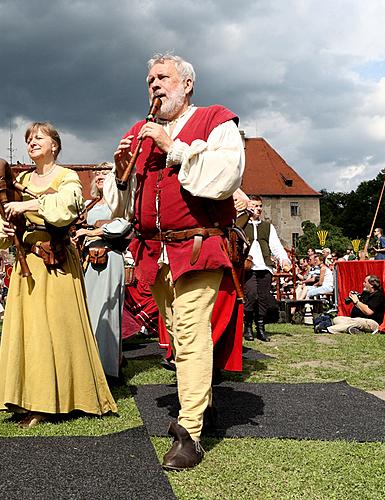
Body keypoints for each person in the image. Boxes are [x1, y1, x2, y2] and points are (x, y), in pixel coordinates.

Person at [104, 53, 244, 469]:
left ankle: (190, 433)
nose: (154, 85)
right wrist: (119, 172)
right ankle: (205, 406)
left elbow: (227, 174)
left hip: (199, 245)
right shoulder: (138, 131)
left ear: (186, 85)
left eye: (163, 78)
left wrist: (175, 148)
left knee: (190, 330)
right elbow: (123, 205)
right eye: (150, 80)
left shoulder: (215, 119)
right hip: (155, 251)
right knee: (179, 340)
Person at [0, 122, 117, 428]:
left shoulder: (66, 177)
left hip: (58, 263)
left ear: (55, 145)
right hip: (29, 264)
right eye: (29, 139)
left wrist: (28, 204)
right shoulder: (19, 179)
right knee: (29, 331)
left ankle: (55, 401)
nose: (33, 142)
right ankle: (26, 398)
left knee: (58, 329)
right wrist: (6, 227)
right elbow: (0, 212)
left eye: (39, 137)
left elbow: (67, 208)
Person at [75, 165, 130, 378]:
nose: (100, 176)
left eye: (105, 173)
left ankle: (108, 368)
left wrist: (93, 231)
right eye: (97, 173)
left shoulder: (120, 204)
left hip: (109, 259)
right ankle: (88, 365)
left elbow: (123, 226)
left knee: (108, 310)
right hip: (87, 262)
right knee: (88, 311)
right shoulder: (89, 204)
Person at [243, 195, 292, 341]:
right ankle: (247, 327)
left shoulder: (267, 226)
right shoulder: (241, 225)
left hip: (265, 266)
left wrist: (284, 260)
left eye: (259, 206)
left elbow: (276, 246)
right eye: (254, 206)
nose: (257, 209)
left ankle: (260, 327)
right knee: (251, 295)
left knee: (263, 298)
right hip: (248, 267)